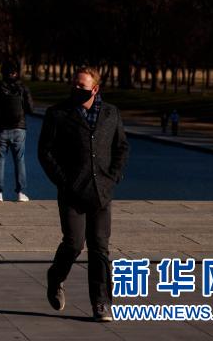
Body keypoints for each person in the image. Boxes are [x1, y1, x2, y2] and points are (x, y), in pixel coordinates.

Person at [38, 67, 129, 322]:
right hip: (72, 192)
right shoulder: (57, 113)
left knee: (100, 248)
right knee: (74, 243)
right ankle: (56, 276)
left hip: (102, 192)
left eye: (82, 86)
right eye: (74, 85)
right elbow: (45, 152)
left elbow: (121, 147)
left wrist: (114, 176)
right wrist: (63, 182)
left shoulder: (111, 113)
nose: (76, 89)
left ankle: (101, 303)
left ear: (95, 89)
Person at [0, 60, 34, 202]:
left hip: (1, 129)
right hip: (19, 128)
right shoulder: (23, 88)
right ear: (17, 73)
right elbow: (31, 109)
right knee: (20, 160)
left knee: (0, 160)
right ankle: (20, 193)